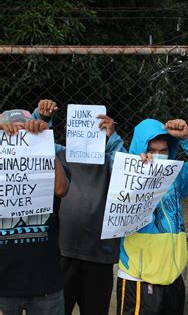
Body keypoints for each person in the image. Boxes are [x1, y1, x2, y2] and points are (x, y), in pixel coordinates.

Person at [32, 100, 127, 315]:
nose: (86, 137)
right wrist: (41, 116)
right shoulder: (58, 154)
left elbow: (124, 168)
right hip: (62, 253)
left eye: (94, 131)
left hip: (99, 256)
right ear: (69, 132)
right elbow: (32, 144)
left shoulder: (110, 160)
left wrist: (112, 138)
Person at [117, 118, 188, 315]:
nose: (159, 155)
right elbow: (112, 161)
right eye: (153, 150)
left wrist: (187, 138)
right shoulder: (124, 177)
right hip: (139, 279)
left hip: (173, 277)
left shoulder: (176, 177)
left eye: (163, 151)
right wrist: (137, 169)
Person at [0, 109, 70, 315]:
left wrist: (45, 145)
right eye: (13, 132)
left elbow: (61, 188)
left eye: (25, 130)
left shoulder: (48, 159)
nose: (21, 137)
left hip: (45, 282)